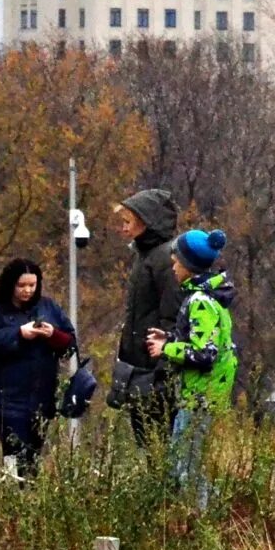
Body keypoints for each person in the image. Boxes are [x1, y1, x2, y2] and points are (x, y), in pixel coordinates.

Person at [149, 227, 236, 510]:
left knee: (188, 468)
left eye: (176, 262)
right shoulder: (208, 297)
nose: (173, 267)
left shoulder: (201, 301)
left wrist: (166, 350)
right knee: (184, 465)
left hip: (199, 400)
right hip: (201, 398)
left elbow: (204, 353)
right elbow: (202, 340)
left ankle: (200, 523)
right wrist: (172, 339)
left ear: (189, 265)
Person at [0, 256, 77, 475]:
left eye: (32, 285)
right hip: (6, 397)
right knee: (14, 450)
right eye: (21, 285)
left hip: (42, 397)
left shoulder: (48, 307)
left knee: (33, 454)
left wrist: (52, 334)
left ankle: (28, 493)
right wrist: (20, 333)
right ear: (10, 284)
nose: (27, 290)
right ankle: (14, 489)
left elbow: (70, 343)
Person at [109, 187, 181, 442]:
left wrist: (163, 367)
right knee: (149, 443)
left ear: (146, 222)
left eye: (128, 221)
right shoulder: (146, 256)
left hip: (153, 371)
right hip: (141, 366)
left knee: (156, 444)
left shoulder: (163, 259)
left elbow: (171, 315)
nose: (124, 228)